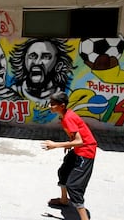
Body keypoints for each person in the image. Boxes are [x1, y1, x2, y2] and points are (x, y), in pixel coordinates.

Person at [41, 91, 97, 220]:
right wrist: (69, 144)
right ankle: (64, 200)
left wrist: (56, 145)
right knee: (63, 172)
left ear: (62, 105)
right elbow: (76, 136)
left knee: (74, 186)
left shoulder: (68, 118)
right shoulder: (64, 115)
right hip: (78, 149)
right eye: (50, 103)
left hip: (86, 152)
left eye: (53, 104)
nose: (50, 106)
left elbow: (80, 141)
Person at [9, 38, 75, 106]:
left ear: (58, 66)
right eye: (32, 56)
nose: (37, 62)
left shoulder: (67, 96)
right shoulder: (13, 93)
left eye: (46, 57)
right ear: (24, 61)